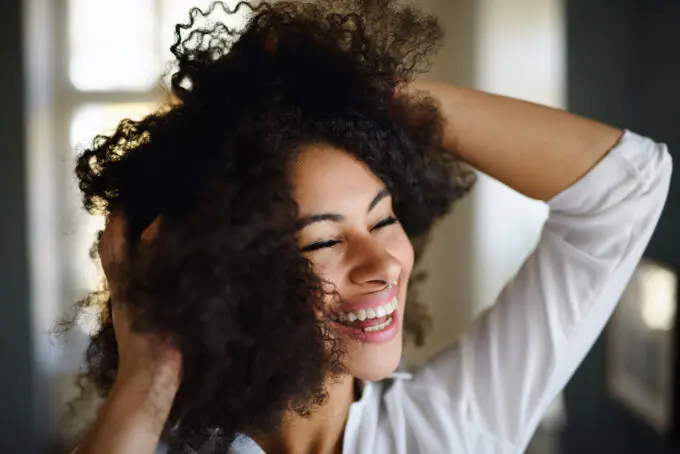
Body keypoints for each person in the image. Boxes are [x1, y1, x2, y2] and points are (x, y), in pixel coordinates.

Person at [69, 1, 672, 453]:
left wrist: (367, 93)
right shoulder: (146, 439)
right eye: (324, 240)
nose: (384, 264)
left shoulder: (456, 423)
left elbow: (626, 186)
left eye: (383, 219)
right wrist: (147, 379)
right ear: (232, 278)